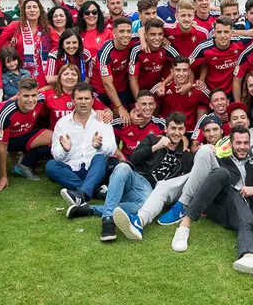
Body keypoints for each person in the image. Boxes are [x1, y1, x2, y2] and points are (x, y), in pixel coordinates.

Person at [167, 127, 253, 279]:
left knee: (248, 221)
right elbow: (197, 172)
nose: (242, 146)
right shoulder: (222, 161)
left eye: (246, 143)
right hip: (221, 202)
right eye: (238, 142)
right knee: (221, 173)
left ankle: (248, 257)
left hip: (244, 210)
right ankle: (184, 227)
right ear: (231, 144)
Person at [76, 112, 193, 241]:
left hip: (149, 191)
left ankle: (90, 209)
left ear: (184, 130)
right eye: (173, 128)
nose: (176, 132)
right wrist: (155, 147)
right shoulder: (152, 139)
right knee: (123, 167)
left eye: (180, 129)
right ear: (166, 129)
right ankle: (108, 221)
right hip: (135, 178)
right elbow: (134, 159)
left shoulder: (185, 156)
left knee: (142, 206)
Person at [49, 82, 116, 209]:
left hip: (95, 169)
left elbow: (112, 148)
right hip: (72, 169)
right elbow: (56, 155)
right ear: (73, 100)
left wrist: (99, 146)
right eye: (80, 98)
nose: (83, 102)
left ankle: (81, 194)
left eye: (87, 98)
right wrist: (65, 150)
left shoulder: (102, 120)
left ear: (93, 100)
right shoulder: (62, 123)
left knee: (100, 157)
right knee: (51, 165)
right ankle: (92, 190)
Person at [0, 77, 52, 187]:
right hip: (8, 141)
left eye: (33, 95)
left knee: (55, 138)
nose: (30, 100)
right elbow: (2, 145)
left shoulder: (41, 99)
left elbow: (49, 88)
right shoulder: (6, 112)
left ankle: (24, 164)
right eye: (26, 96)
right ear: (18, 95)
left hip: (26, 135)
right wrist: (3, 176)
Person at [0, 0, 59, 88]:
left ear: (39, 10)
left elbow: (57, 46)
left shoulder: (47, 28)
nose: (32, 10)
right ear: (24, 11)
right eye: (28, 7)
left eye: (35, 7)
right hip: (21, 73)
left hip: (42, 71)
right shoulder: (16, 26)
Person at [190, 16, 247, 97]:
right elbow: (187, 64)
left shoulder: (240, 43)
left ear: (232, 33)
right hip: (211, 91)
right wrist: (191, 82)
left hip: (234, 91)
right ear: (214, 33)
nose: (223, 36)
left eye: (226, 32)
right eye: (219, 32)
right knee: (202, 109)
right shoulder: (203, 47)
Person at [42, 63, 111, 130]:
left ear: (78, 79)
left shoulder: (86, 95)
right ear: (59, 78)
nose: (70, 77)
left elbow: (107, 111)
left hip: (81, 137)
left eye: (74, 75)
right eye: (66, 74)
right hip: (56, 137)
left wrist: (105, 114)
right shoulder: (48, 95)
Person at [89, 17, 133, 119]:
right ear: (114, 32)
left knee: (125, 118)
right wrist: (120, 107)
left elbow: (145, 32)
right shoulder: (105, 52)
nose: (126, 35)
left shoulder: (133, 41)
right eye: (121, 31)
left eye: (128, 31)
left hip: (120, 88)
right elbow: (107, 83)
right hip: (101, 89)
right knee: (103, 118)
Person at [153, 56, 209, 132]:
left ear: (189, 71)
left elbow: (214, 100)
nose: (181, 74)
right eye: (178, 70)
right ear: (172, 72)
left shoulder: (198, 88)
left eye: (184, 70)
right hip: (166, 131)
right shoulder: (162, 87)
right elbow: (145, 99)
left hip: (189, 131)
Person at [128, 18, 179, 99]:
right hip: (137, 92)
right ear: (145, 36)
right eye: (153, 34)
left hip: (158, 90)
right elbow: (133, 78)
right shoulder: (137, 50)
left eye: (160, 34)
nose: (157, 38)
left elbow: (180, 67)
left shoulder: (167, 48)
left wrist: (163, 84)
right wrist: (139, 100)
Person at [112, 91, 166, 160]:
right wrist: (118, 154)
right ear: (137, 106)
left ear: (154, 105)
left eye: (150, 104)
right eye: (144, 104)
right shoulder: (124, 122)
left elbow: (178, 134)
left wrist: (185, 143)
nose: (147, 108)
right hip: (126, 163)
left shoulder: (160, 123)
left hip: (149, 165)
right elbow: (105, 128)